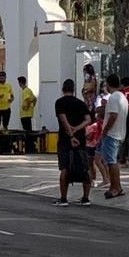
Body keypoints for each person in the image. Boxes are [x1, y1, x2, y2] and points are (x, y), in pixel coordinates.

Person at [54, 78, 93, 207]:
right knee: (84, 166)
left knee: (65, 167)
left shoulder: (59, 102)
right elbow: (88, 119)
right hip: (81, 139)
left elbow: (63, 119)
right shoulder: (81, 103)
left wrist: (71, 135)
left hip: (65, 140)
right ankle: (86, 198)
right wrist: (78, 128)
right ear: (73, 89)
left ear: (62, 89)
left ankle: (64, 198)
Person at [99, 73, 128, 199]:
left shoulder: (113, 97)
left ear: (108, 84)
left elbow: (113, 115)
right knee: (112, 161)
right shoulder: (122, 96)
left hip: (112, 134)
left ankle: (114, 187)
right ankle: (118, 186)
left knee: (111, 162)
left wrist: (105, 130)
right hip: (119, 133)